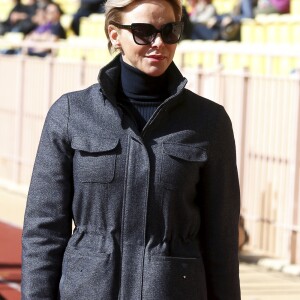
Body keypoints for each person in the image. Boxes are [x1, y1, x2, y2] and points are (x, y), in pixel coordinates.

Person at [21, 0, 241, 299]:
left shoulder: (209, 122)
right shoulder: (72, 113)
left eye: (170, 31)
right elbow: (43, 231)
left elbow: (221, 241)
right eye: (143, 32)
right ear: (115, 35)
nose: (158, 43)